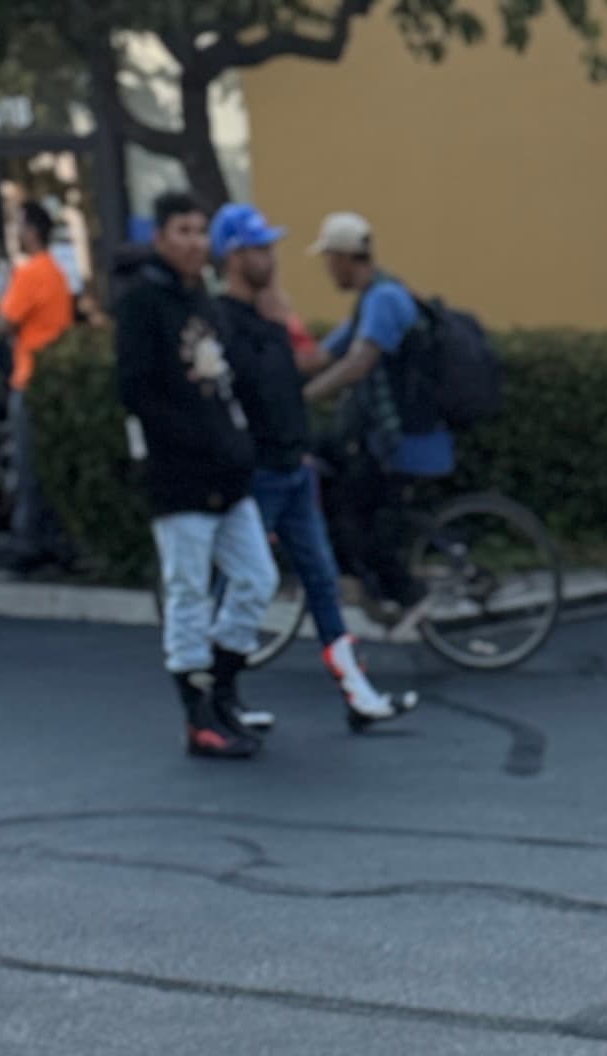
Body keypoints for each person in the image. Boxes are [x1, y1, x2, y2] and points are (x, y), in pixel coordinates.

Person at [207, 202, 408, 730]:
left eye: (269, 246)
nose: (269, 256)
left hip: (293, 468)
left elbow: (306, 366)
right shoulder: (222, 322)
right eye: (257, 248)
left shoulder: (269, 318)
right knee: (242, 583)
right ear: (232, 255)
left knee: (320, 580)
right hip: (259, 472)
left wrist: (284, 315)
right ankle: (217, 694)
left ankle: (356, 692)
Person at [112, 188, 273, 761]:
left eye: (200, 231)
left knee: (257, 578)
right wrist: (185, 439)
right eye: (182, 230)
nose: (194, 242)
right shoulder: (141, 304)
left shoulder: (200, 299)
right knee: (188, 592)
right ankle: (197, 712)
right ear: (160, 237)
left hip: (227, 468)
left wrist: (239, 443)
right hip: (178, 474)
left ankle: (224, 685)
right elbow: (135, 388)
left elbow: (225, 380)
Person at [306, 210, 451, 619]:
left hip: (399, 436)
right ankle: (366, 586)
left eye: (328, 259)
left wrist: (306, 395)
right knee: (330, 471)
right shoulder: (372, 299)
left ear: (343, 258)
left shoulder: (384, 300)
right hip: (381, 432)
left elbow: (358, 361)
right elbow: (322, 354)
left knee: (358, 516)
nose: (327, 269)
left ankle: (407, 596)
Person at [0, 195, 74, 573]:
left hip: (29, 376)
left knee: (28, 465)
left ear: (30, 231)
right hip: (53, 377)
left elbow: (4, 321)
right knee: (49, 463)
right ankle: (56, 538)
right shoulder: (56, 272)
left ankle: (28, 543)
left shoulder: (29, 273)